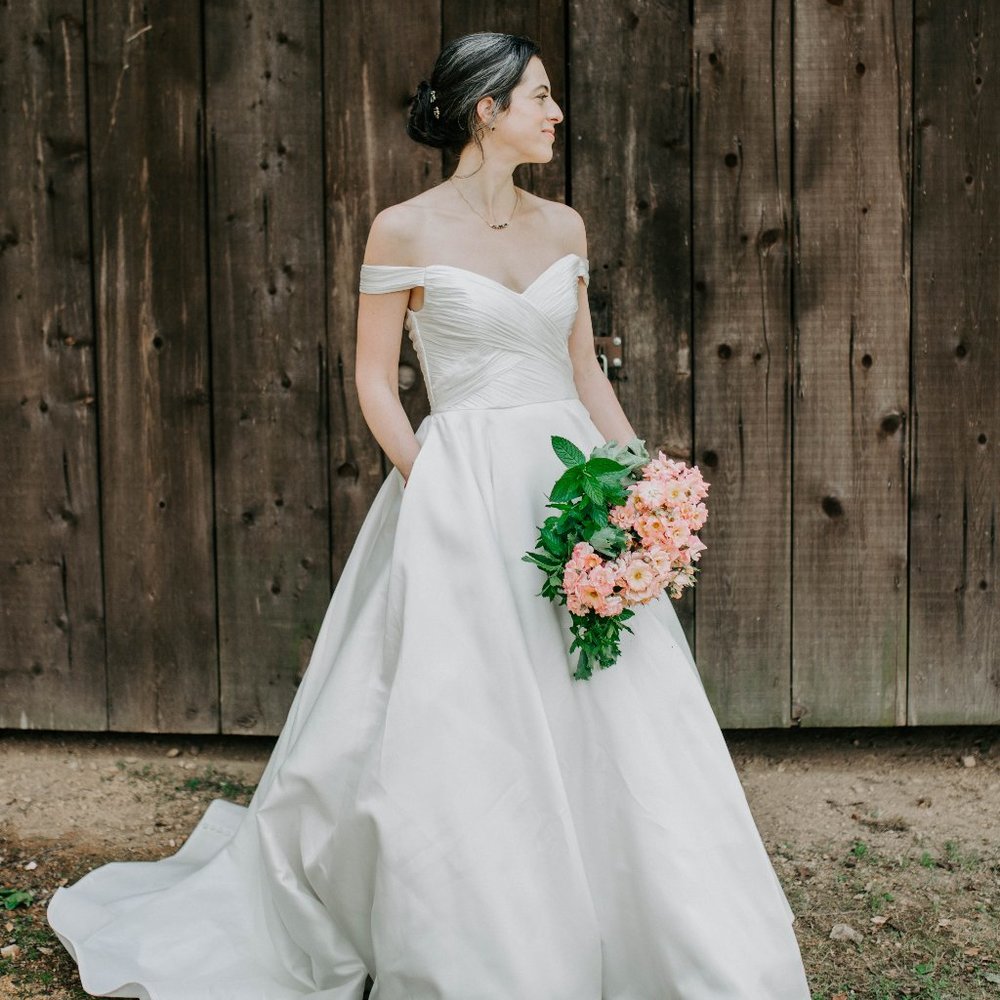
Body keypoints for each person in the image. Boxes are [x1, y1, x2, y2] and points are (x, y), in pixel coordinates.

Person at [46, 31, 812, 1000]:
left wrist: (641, 479)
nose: (555, 112)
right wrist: (432, 486)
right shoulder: (402, 230)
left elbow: (581, 370)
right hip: (458, 485)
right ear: (484, 108)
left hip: (566, 487)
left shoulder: (565, 226)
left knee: (614, 705)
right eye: (539, 96)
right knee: (460, 707)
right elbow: (373, 381)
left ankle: (650, 924)